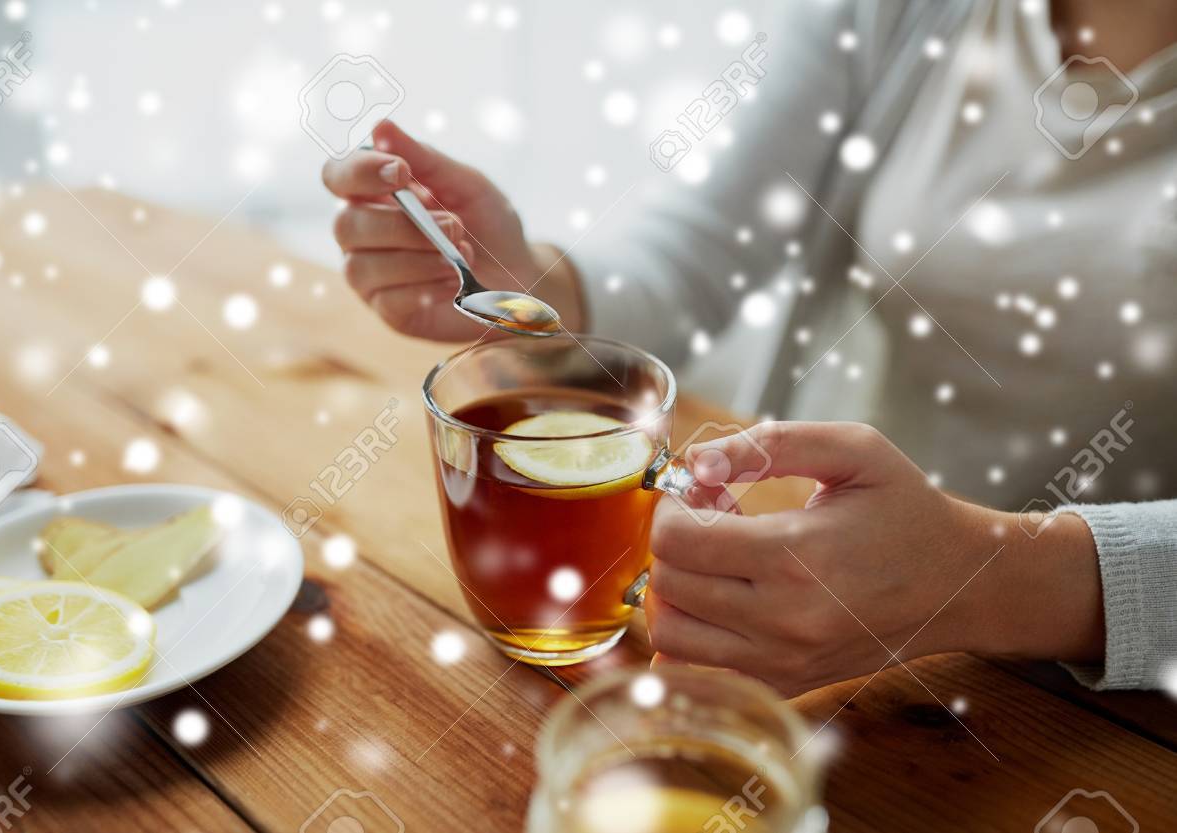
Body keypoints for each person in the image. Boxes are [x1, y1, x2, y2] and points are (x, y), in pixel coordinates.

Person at [321, 0, 1177, 695]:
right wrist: (531, 281)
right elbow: (703, 248)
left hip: (1118, 704)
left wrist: (980, 578)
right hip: (820, 619)